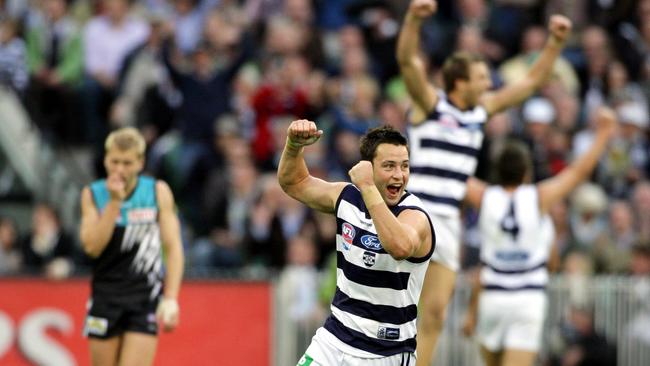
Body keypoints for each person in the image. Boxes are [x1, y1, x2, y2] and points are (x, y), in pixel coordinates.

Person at [396, 1, 572, 363]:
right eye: (480, 77)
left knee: (435, 315)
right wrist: (413, 20)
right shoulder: (431, 104)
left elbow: (531, 81)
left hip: (447, 222)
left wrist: (553, 43)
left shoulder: (481, 111)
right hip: (413, 212)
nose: (489, 82)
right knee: (398, 306)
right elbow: (407, 64)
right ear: (459, 82)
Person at [460, 107, 617, 366]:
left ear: (498, 171)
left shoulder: (485, 196)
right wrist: (603, 134)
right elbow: (577, 172)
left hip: (493, 298)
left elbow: (453, 174)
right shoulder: (537, 197)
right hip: (526, 298)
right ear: (526, 172)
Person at [278, 119, 435, 364]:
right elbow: (294, 183)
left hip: (384, 352)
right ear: (368, 167)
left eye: (404, 166)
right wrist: (293, 146)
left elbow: (400, 247)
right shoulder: (347, 198)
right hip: (333, 339)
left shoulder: (414, 214)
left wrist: (368, 186)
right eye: (389, 166)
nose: (399, 175)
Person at [79, 127, 184, 366]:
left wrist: (171, 298)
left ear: (140, 162)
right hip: (105, 297)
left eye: (127, 163)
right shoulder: (93, 194)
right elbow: (92, 247)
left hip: (143, 298)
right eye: (114, 161)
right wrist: (115, 203)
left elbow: (174, 247)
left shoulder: (157, 192)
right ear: (105, 159)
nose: (119, 170)